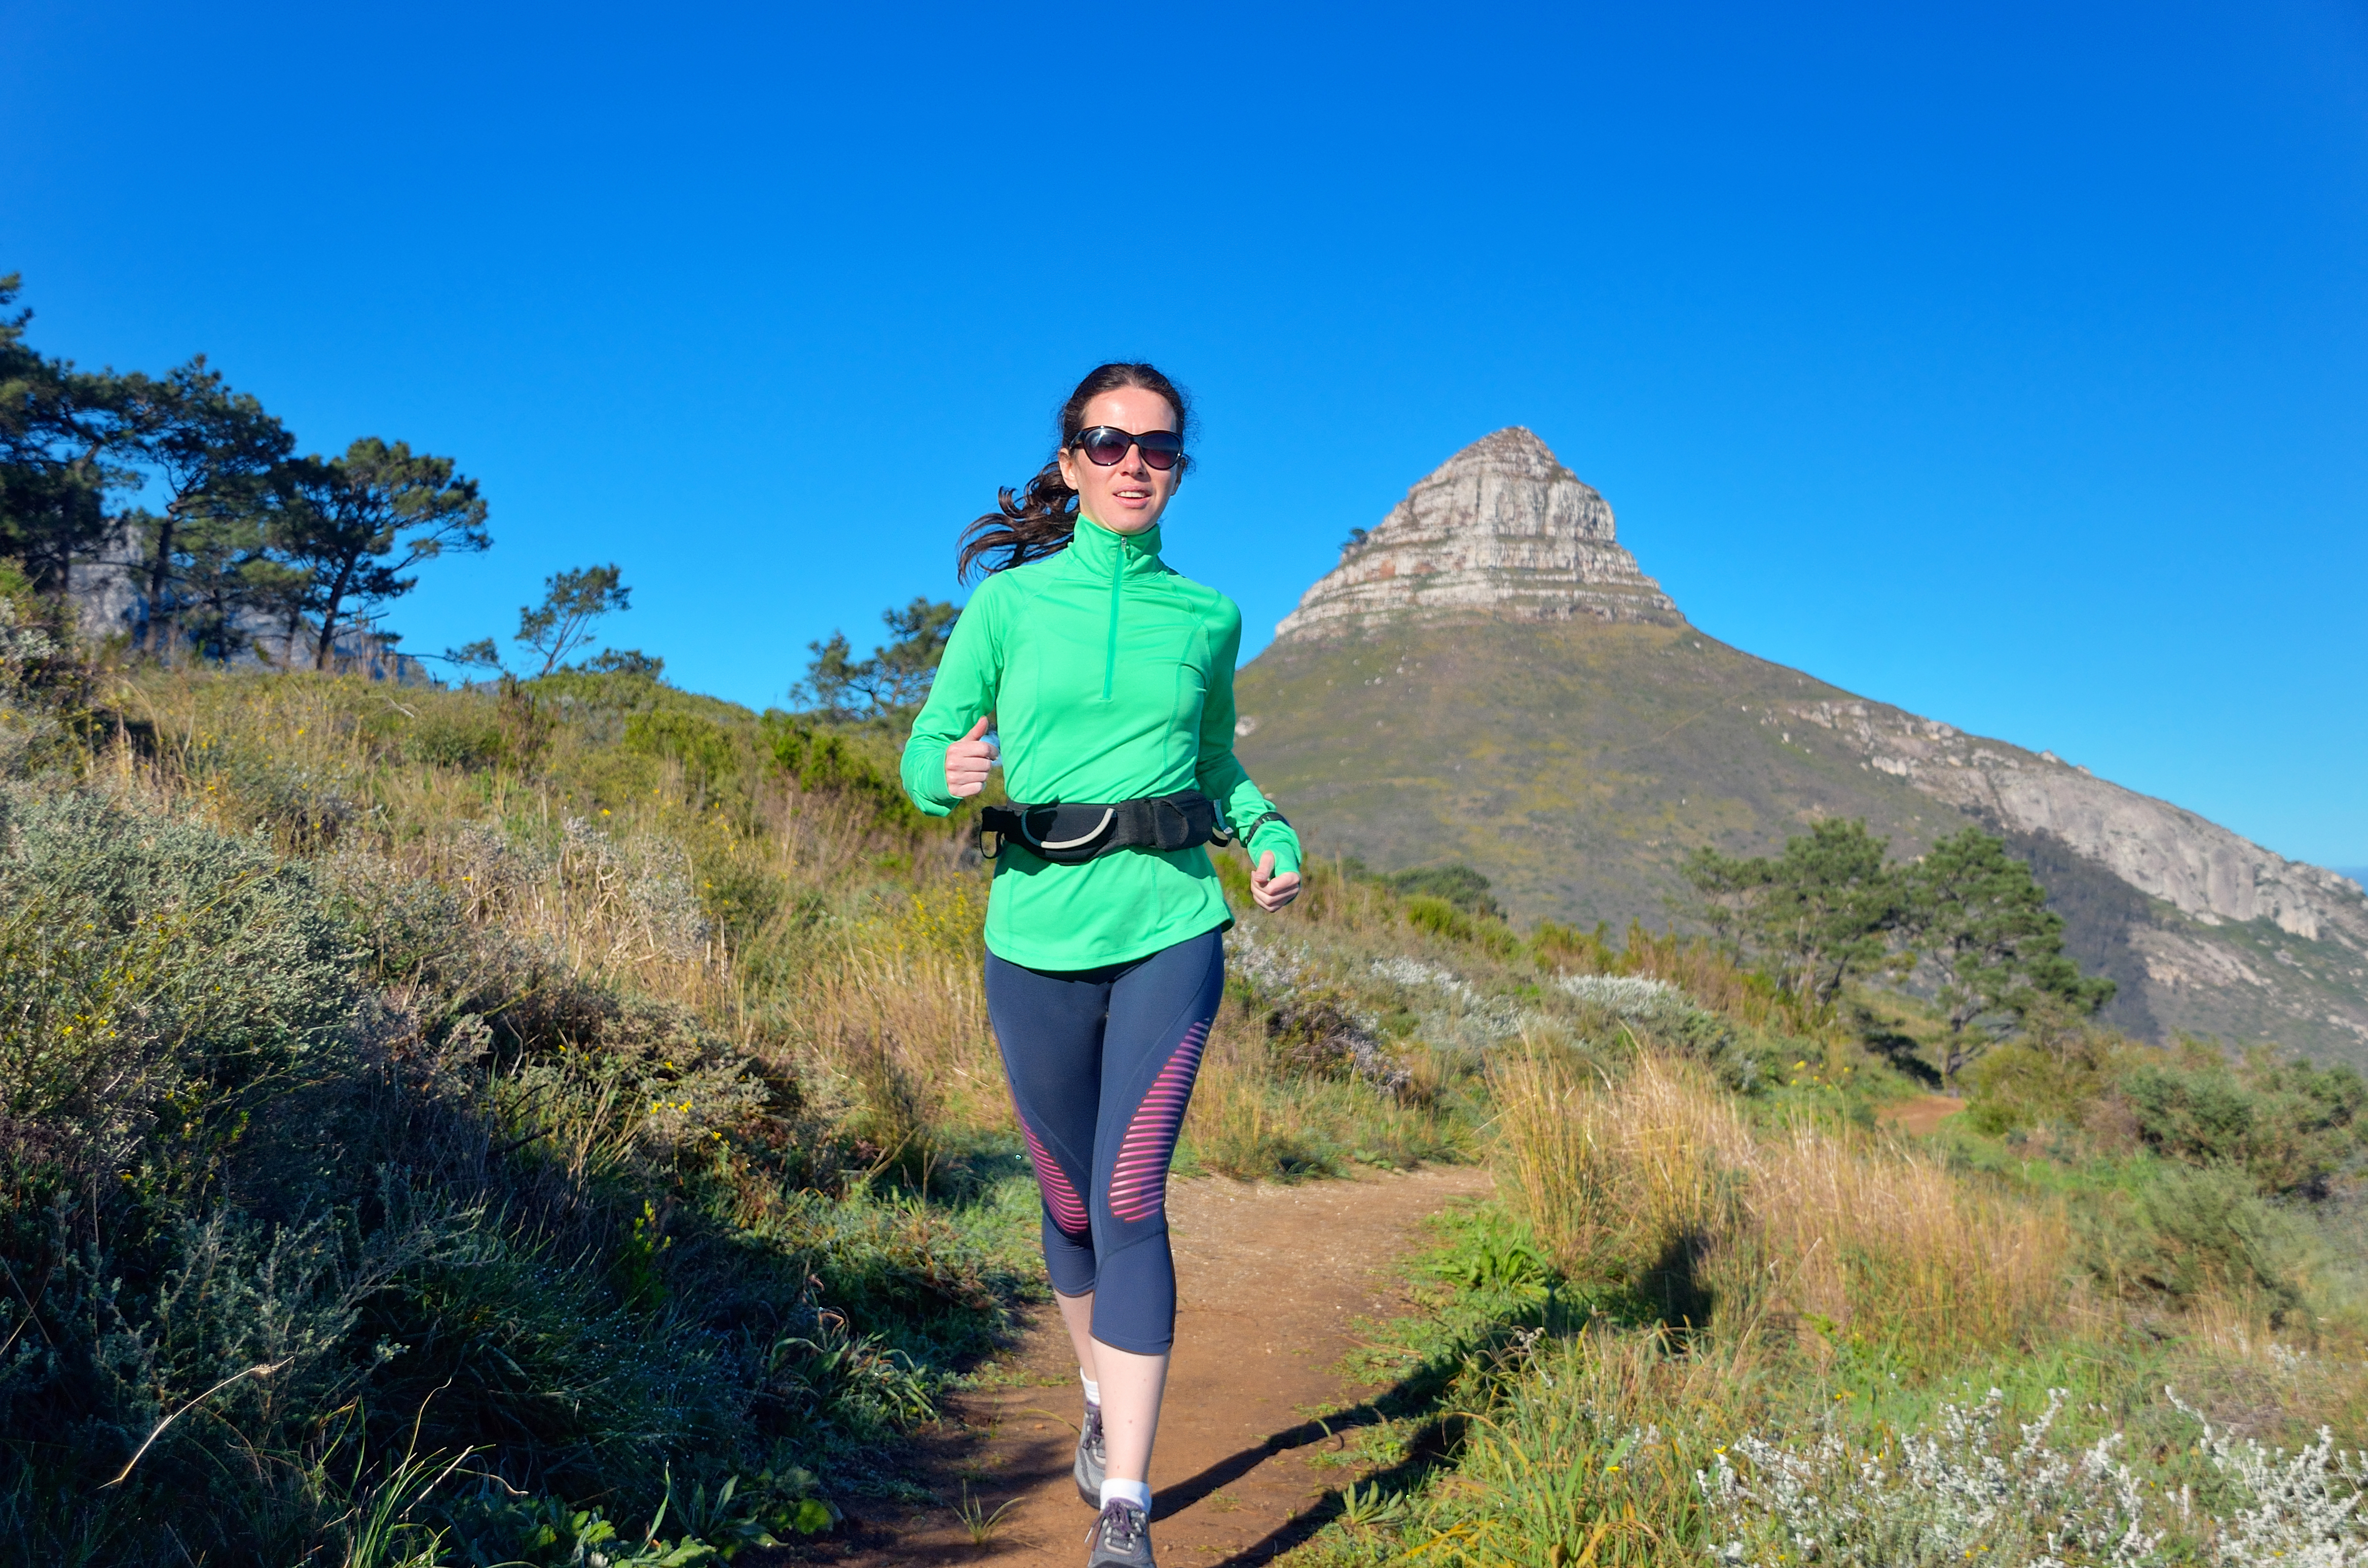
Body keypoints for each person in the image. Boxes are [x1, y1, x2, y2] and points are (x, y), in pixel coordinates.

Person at [900, 363, 1301, 1567]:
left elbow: (1220, 765)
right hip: (1032, 932)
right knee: (1069, 1200)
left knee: (1132, 1197)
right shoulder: (1010, 611)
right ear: (1070, 459)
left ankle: (1126, 1499)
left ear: (1180, 467)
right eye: (1110, 443)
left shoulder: (1209, 615)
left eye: (1160, 448)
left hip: (1173, 923)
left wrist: (1270, 835)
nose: (1137, 464)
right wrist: (948, 777)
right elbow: (928, 745)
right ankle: (1096, 1391)